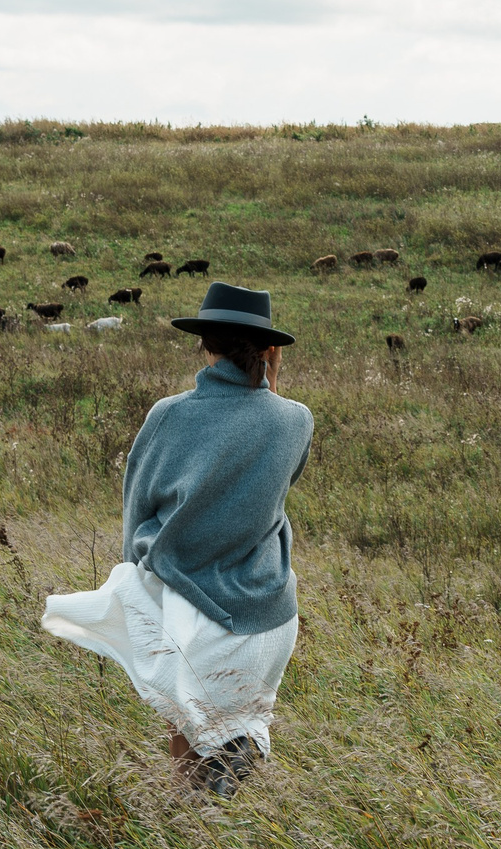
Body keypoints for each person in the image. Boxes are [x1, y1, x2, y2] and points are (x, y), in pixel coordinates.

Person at [41, 283, 313, 797]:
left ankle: (197, 830)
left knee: (188, 736)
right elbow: (278, 485)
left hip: (186, 605)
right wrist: (268, 383)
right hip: (266, 611)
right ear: (270, 349)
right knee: (236, 734)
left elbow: (136, 508)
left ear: (205, 344)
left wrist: (140, 591)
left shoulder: (167, 414)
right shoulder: (295, 420)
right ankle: (223, 826)